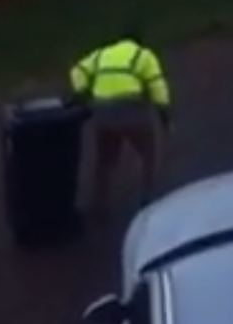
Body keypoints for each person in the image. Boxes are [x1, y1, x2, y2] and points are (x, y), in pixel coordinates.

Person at [69, 31, 172, 218]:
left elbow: (78, 71)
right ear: (138, 42)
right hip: (132, 110)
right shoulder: (143, 55)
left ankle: (100, 206)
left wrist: (82, 93)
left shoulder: (101, 54)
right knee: (149, 153)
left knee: (105, 161)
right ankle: (147, 199)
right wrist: (164, 114)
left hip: (103, 112)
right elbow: (157, 85)